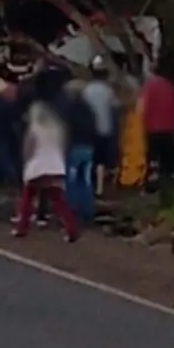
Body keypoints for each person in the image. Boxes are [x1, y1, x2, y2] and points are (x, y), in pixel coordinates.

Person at [14, 75, 80, 242]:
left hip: (37, 164)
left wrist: (25, 162)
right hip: (55, 163)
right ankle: (71, 228)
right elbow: (64, 144)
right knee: (58, 200)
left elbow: (28, 147)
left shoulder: (35, 128)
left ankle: (22, 227)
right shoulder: (58, 128)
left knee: (28, 197)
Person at [83, 56, 120, 198]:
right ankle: (99, 188)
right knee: (102, 162)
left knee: (92, 160)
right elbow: (115, 107)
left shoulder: (87, 90)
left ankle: (88, 187)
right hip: (106, 129)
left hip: (91, 129)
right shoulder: (108, 91)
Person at [140, 57, 174, 184]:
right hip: (169, 128)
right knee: (168, 158)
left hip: (153, 128)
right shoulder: (171, 87)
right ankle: (169, 182)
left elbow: (142, 107)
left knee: (153, 158)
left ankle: (153, 183)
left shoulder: (150, 86)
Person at [63, 78, 98, 222]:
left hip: (75, 147)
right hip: (88, 147)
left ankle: (72, 210)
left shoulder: (70, 109)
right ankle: (88, 211)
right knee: (86, 180)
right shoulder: (89, 109)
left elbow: (67, 129)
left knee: (71, 181)